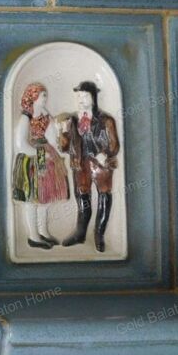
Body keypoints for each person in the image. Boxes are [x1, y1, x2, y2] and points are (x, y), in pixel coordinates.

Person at [59, 80, 120, 252]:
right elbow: (64, 148)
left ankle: (99, 235)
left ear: (93, 98)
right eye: (78, 96)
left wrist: (105, 153)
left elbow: (115, 145)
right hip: (80, 164)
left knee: (104, 197)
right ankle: (80, 233)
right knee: (82, 197)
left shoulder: (106, 120)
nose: (81, 99)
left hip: (101, 165)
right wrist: (64, 132)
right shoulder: (71, 120)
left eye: (85, 96)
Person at [12, 82, 70, 249]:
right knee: (32, 198)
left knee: (45, 195)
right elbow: (20, 144)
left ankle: (43, 231)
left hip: (45, 155)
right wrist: (40, 154)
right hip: (31, 159)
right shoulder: (26, 118)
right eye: (43, 96)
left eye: (45, 96)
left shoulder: (45, 115)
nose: (45, 99)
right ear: (34, 97)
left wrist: (59, 144)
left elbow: (52, 136)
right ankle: (33, 236)